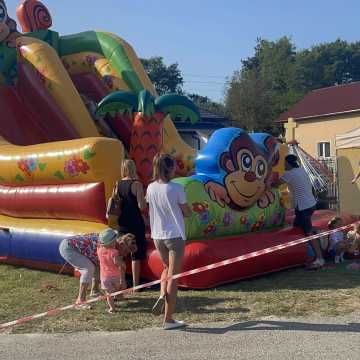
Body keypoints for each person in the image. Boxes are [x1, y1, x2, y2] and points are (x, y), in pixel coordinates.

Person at [146, 153, 192, 330]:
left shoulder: (150, 188)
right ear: (170, 168)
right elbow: (186, 211)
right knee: (174, 275)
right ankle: (168, 319)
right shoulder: (176, 188)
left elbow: (150, 206)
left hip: (158, 235)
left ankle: (161, 293)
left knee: (166, 269)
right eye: (174, 166)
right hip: (175, 235)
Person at [59, 228, 137, 309]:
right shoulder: (105, 245)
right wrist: (121, 283)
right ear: (120, 243)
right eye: (125, 251)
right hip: (69, 248)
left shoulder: (111, 243)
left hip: (72, 245)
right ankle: (80, 301)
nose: (125, 255)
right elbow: (117, 266)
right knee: (88, 268)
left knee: (97, 266)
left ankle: (95, 291)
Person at [277, 154, 324, 268]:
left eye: (284, 164)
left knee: (308, 233)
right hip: (309, 204)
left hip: (304, 207)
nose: (284, 166)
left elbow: (275, 184)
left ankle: (319, 259)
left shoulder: (290, 173)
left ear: (288, 164)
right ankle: (306, 256)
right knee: (297, 229)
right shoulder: (301, 170)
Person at [114, 159, 147, 289]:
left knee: (121, 253)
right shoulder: (137, 184)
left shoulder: (118, 183)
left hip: (122, 222)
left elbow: (115, 202)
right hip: (135, 222)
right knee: (135, 254)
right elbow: (142, 206)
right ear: (134, 168)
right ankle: (135, 285)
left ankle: (122, 283)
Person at [98, 229, 136, 313]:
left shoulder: (100, 250)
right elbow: (117, 263)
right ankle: (119, 296)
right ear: (112, 242)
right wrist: (123, 265)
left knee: (108, 293)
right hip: (115, 275)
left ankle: (112, 308)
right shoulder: (114, 252)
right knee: (118, 287)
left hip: (104, 277)